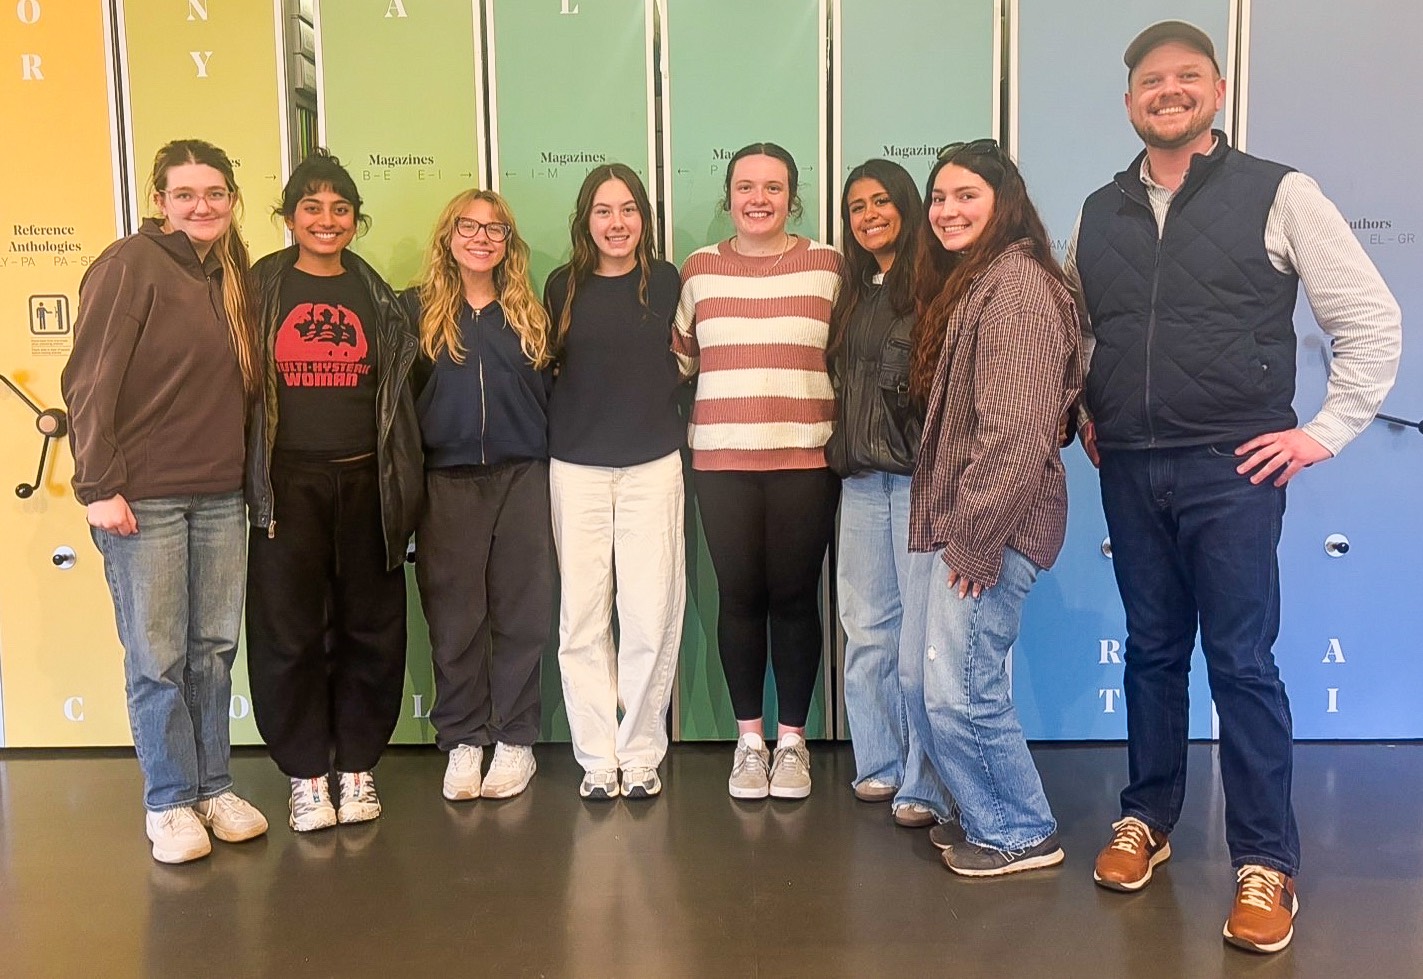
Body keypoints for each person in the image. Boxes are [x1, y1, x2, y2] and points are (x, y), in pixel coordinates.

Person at [1068, 21, 1401, 952]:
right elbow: (1090, 330)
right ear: (1128, 100)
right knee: (1150, 653)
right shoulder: (1098, 210)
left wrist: (1321, 432)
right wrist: (1092, 407)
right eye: (1147, 81)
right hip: (1130, 466)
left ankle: (1266, 864)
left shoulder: (1280, 192)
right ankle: (1148, 819)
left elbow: (1369, 320)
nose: (1165, 92)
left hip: (1230, 471)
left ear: (1214, 91)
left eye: (1184, 78)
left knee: (1243, 666)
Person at [62, 138, 268, 863]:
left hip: (219, 494)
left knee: (212, 651)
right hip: (141, 498)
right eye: (185, 195)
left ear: (232, 198)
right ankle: (170, 801)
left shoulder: (232, 273)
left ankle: (213, 785)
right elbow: (87, 381)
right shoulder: (128, 266)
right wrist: (98, 487)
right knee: (157, 657)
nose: (201, 206)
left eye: (214, 193)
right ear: (159, 201)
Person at [906, 139, 1081, 876]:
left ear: (1001, 200)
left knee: (962, 688)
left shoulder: (1017, 288)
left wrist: (974, 543)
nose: (947, 210)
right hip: (958, 520)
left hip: (989, 528)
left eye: (964, 196)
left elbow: (1014, 432)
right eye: (939, 198)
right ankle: (975, 808)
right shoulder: (982, 281)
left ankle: (1017, 830)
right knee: (924, 682)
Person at [246, 149, 423, 832]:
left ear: (355, 220)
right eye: (312, 207)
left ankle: (356, 765)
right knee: (287, 632)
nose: (326, 219)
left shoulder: (378, 297)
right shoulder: (258, 288)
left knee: (371, 628)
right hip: (284, 483)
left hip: (365, 479)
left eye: (340, 208)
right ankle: (305, 776)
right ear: (289, 217)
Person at [673, 142, 844, 801]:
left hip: (806, 460)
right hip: (720, 464)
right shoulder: (699, 271)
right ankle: (750, 742)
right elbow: (680, 362)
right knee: (739, 597)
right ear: (727, 196)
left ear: (792, 197)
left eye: (773, 187)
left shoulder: (827, 267)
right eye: (745, 186)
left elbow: (845, 357)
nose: (758, 198)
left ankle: (793, 742)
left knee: (797, 599)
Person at [406, 189, 555, 803]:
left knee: (523, 612)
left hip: (524, 476)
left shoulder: (531, 313)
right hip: (446, 481)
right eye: (468, 227)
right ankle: (465, 738)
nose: (481, 238)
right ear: (448, 236)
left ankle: (515, 739)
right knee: (454, 617)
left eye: (494, 229)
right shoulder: (416, 312)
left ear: (508, 242)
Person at [545, 165, 685, 800]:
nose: (617, 223)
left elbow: (688, 362)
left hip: (653, 465)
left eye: (628, 210)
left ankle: (641, 751)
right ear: (586, 220)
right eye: (604, 211)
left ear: (644, 219)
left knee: (651, 614)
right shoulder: (560, 287)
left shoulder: (665, 281)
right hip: (575, 468)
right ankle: (598, 758)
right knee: (582, 617)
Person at [824, 159, 948, 828]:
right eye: (855, 207)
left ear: (904, 204)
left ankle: (924, 779)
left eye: (879, 201)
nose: (868, 214)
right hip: (861, 479)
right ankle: (877, 761)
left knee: (917, 641)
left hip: (918, 480)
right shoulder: (854, 290)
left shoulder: (936, 284)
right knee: (865, 631)